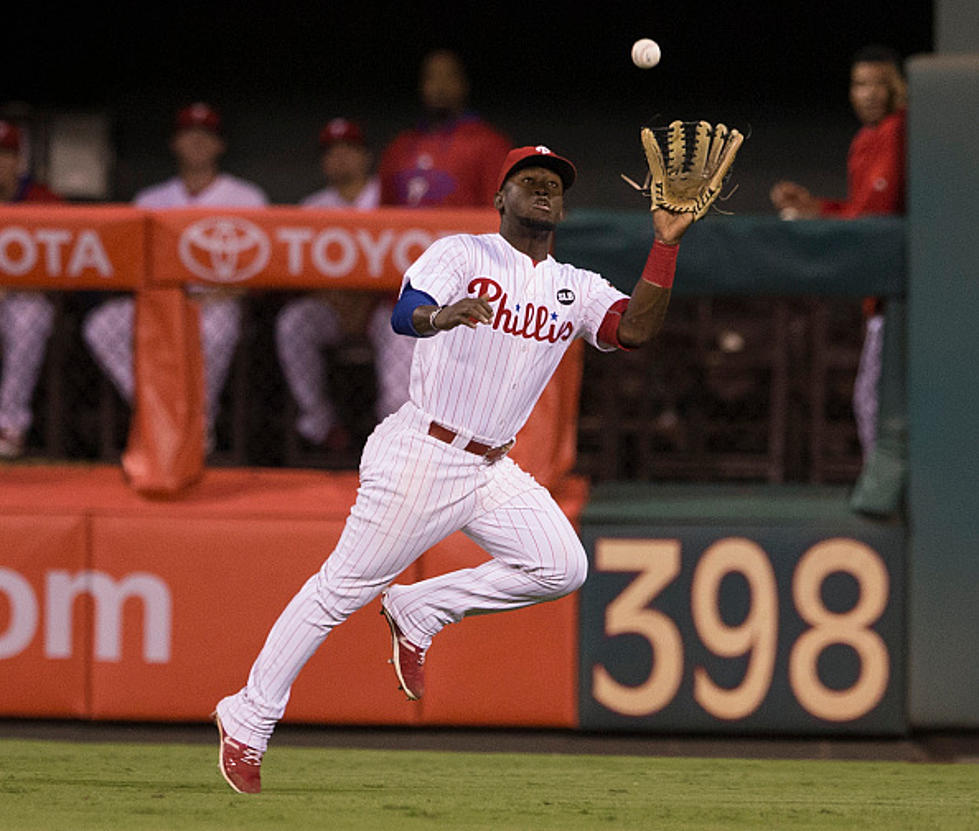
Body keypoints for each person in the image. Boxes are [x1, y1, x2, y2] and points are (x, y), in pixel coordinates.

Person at [213, 144, 697, 794]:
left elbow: (633, 329)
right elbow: (402, 310)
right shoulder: (463, 253)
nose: (544, 190)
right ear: (500, 198)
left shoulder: (573, 285)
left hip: (491, 466)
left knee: (561, 564)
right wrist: (440, 315)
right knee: (339, 591)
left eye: (554, 184)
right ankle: (248, 715)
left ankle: (421, 607)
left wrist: (663, 244)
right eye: (529, 181)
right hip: (424, 450)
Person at [82, 102, 268, 452]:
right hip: (162, 303)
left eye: (206, 134)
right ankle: (162, 410)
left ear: (220, 144)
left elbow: (258, 273)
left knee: (216, 330)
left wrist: (213, 297)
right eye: (189, 133)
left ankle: (199, 421)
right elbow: (133, 270)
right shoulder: (150, 199)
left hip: (219, 302)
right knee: (100, 325)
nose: (197, 141)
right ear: (174, 143)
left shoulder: (246, 197)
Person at [770, 44, 906, 459]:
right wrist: (815, 207)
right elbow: (858, 210)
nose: (868, 93)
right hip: (881, 297)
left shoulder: (900, 129)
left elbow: (875, 218)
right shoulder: (866, 139)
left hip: (907, 292)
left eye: (878, 84)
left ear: (896, 88)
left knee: (875, 402)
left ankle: (890, 500)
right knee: (872, 401)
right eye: (860, 84)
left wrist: (819, 217)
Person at [275, 118, 409, 453]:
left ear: (366, 156)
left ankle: (395, 437)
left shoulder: (389, 198)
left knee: (404, 336)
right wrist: (335, 299)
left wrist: (365, 300)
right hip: (333, 308)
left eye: (349, 150)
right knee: (293, 323)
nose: (340, 158)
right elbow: (298, 275)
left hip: (384, 307)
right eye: (332, 152)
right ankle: (321, 423)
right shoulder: (312, 207)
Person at [0, 119, 64, 459]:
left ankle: (8, 425)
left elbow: (69, 268)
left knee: (30, 316)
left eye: (5, 155)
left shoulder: (43, 202)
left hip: (23, 300)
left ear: (18, 161)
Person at [378, 48, 511, 207]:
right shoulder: (399, 147)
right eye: (431, 77)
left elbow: (499, 212)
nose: (440, 86)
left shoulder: (490, 145)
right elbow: (384, 210)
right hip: (409, 232)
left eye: (449, 77)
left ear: (464, 84)